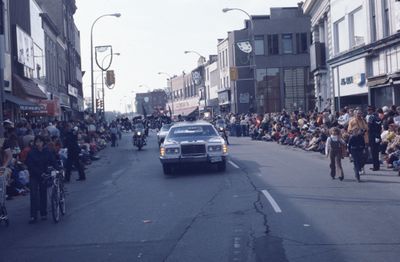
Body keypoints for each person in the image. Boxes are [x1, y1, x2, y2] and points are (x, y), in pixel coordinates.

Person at [25, 136, 58, 223]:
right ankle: (33, 216)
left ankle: (44, 213)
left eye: (40, 141)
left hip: (44, 175)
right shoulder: (31, 153)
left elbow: (53, 161)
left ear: (43, 142)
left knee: (43, 193)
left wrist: (58, 169)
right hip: (34, 176)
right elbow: (30, 165)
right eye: (37, 142)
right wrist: (40, 173)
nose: (38, 143)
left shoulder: (47, 152)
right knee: (33, 195)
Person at [367, 106, 382, 171]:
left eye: (369, 110)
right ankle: (377, 166)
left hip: (373, 136)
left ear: (371, 110)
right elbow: (379, 128)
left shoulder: (371, 117)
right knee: (376, 152)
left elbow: (369, 128)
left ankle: (375, 167)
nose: (368, 111)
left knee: (373, 152)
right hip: (378, 136)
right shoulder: (378, 117)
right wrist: (378, 135)